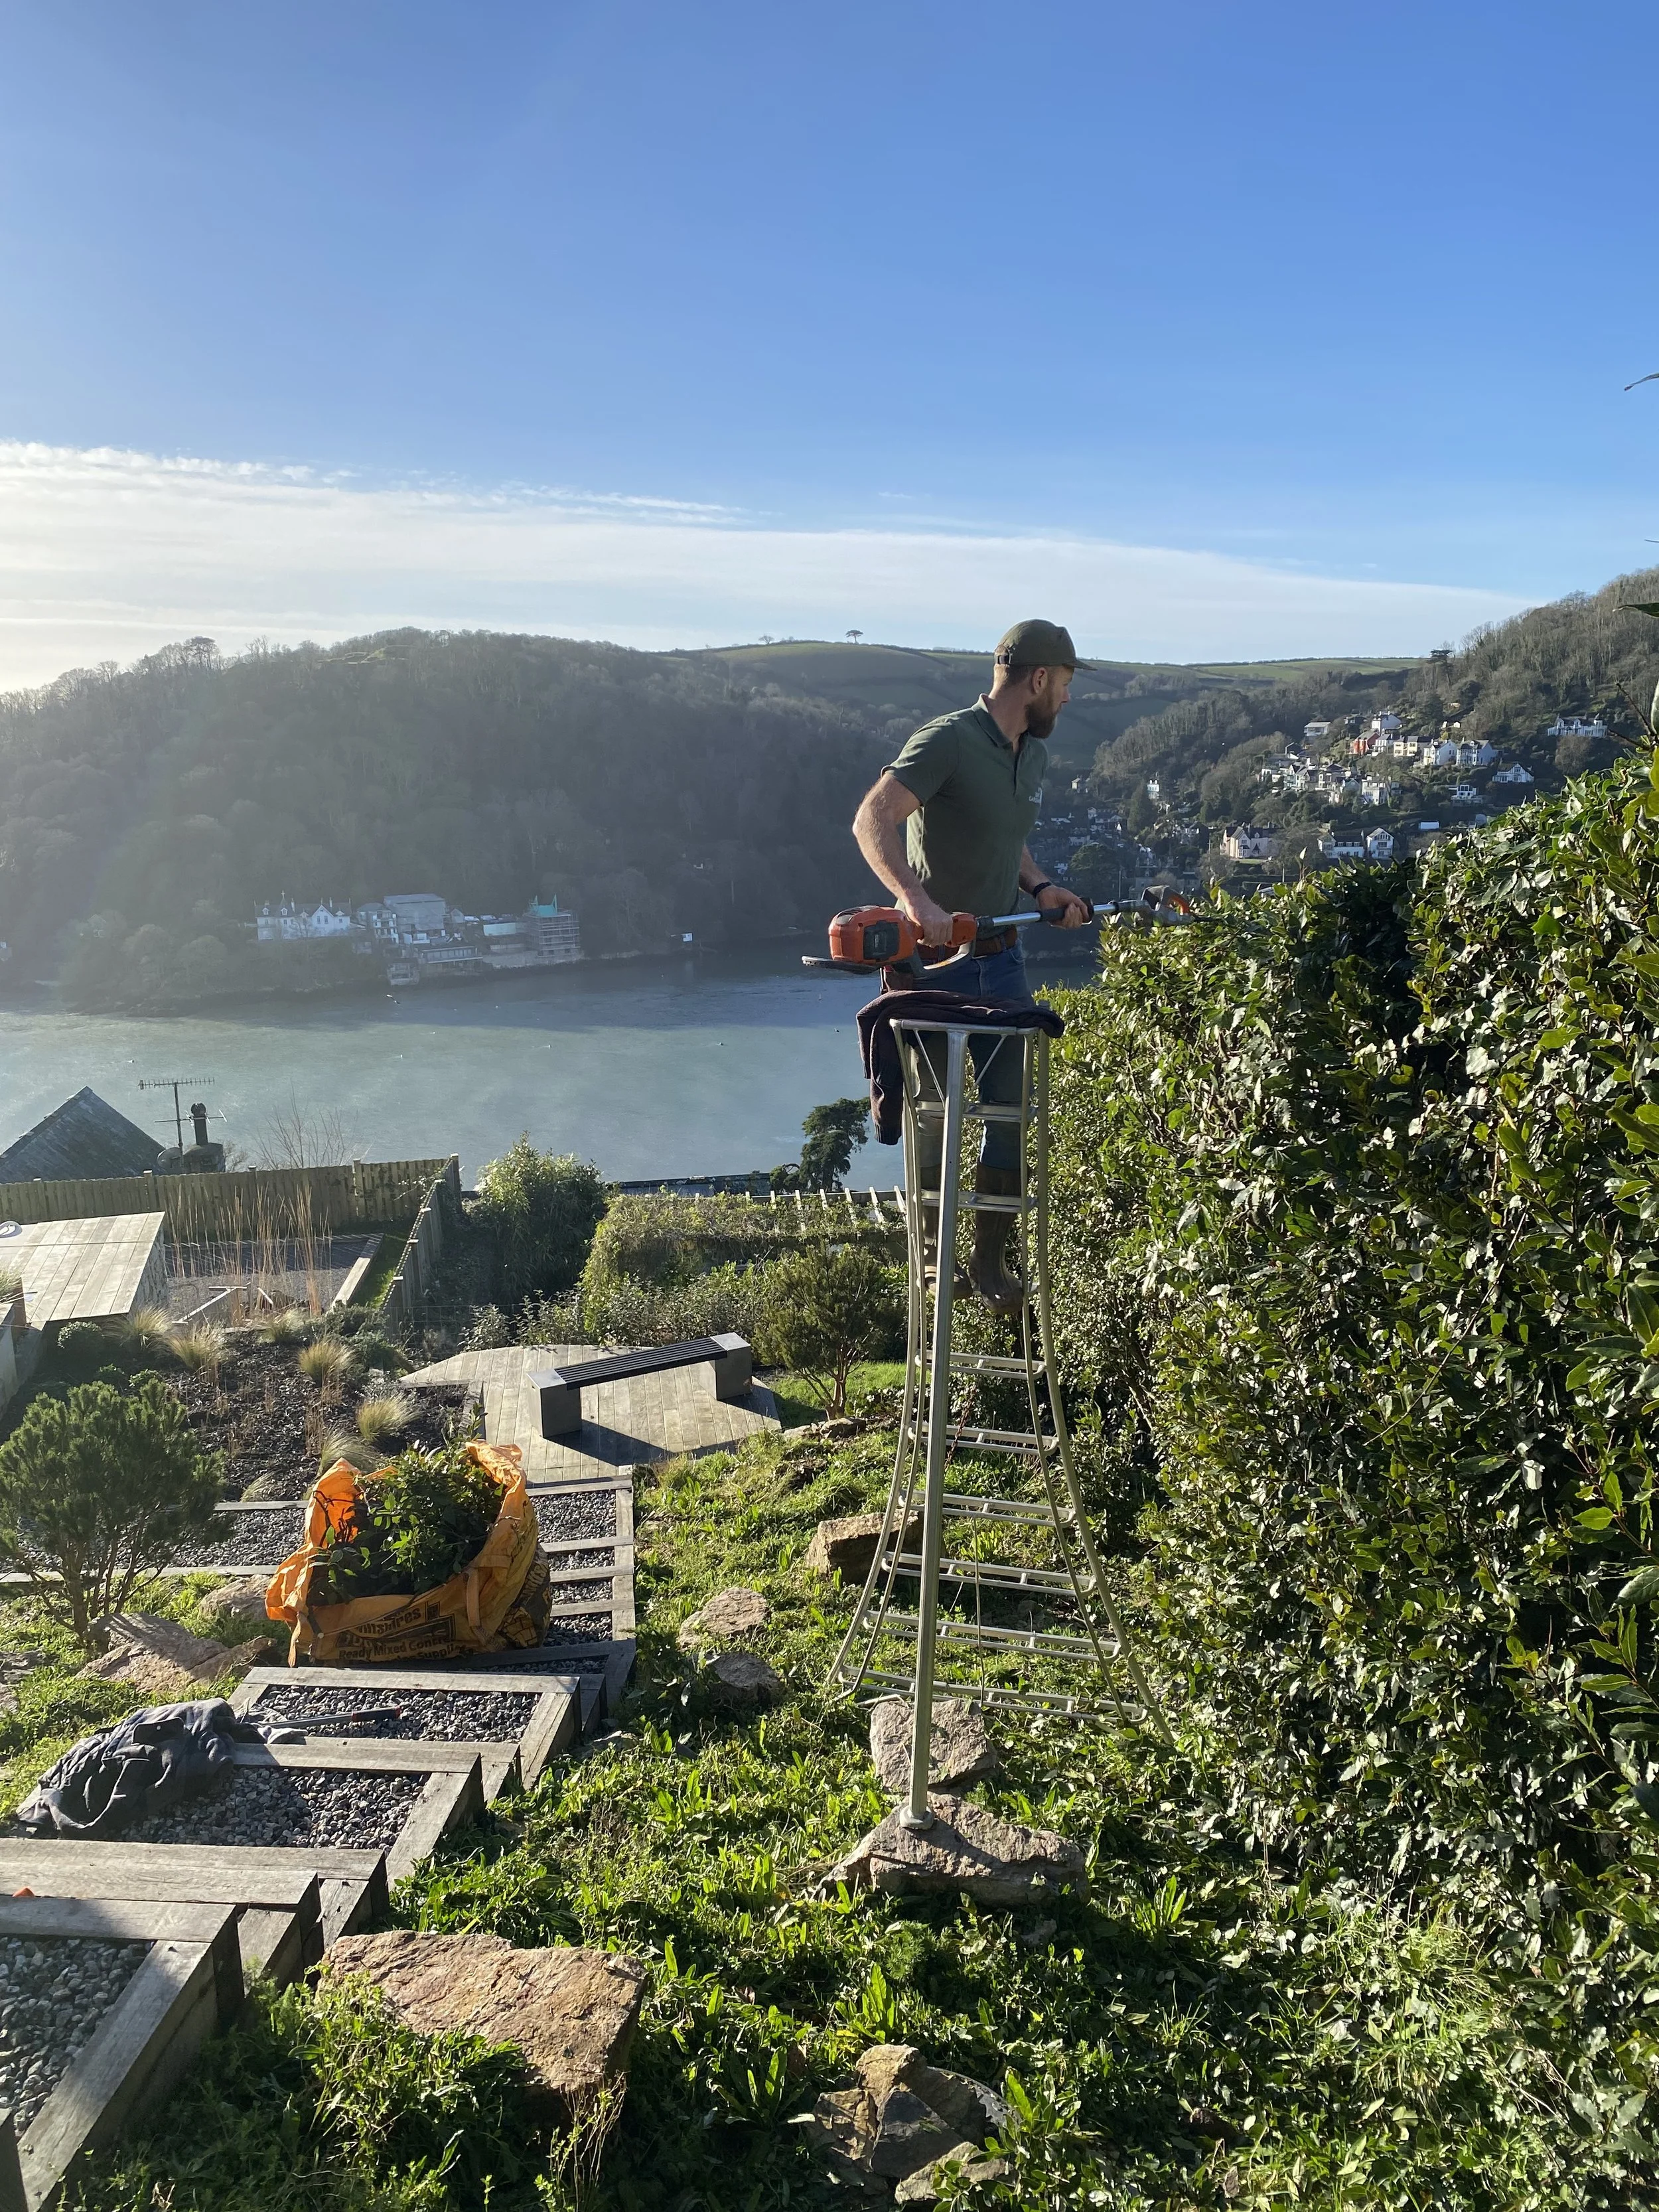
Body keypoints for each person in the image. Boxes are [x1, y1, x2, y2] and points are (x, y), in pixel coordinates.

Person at [851, 619, 1092, 1308]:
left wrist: (1041, 887)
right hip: (932, 966)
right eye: (1066, 685)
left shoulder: (1032, 756)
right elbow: (873, 817)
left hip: (1001, 962)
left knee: (1009, 1113)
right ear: (1038, 680)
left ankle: (988, 1264)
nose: (1068, 702)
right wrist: (913, 897)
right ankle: (934, 1263)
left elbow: (1003, 838)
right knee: (935, 1115)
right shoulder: (948, 739)